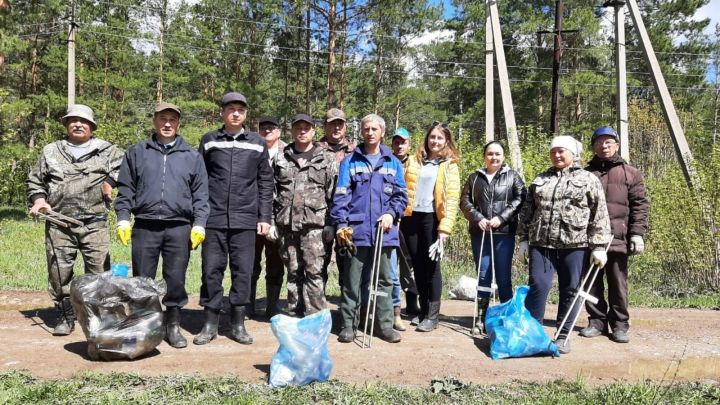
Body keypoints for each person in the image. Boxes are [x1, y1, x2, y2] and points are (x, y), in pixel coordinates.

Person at [115, 102, 209, 349]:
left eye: (172, 120)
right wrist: (123, 218)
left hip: (179, 228)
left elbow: (201, 194)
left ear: (178, 124)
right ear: (154, 121)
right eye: (163, 118)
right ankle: (144, 327)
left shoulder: (192, 156)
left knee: (175, 279)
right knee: (142, 280)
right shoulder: (137, 152)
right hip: (145, 226)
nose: (167, 123)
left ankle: (172, 325)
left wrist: (199, 224)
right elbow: (125, 189)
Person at [27, 104, 122, 336]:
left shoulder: (108, 150)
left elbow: (126, 169)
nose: (78, 124)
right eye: (73, 120)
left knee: (99, 272)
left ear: (92, 126)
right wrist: (39, 200)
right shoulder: (51, 151)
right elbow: (35, 181)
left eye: (84, 121)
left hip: (95, 223)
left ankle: (97, 316)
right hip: (59, 223)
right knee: (59, 273)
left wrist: (110, 181)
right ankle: (65, 313)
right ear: (66, 124)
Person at [517, 135, 612, 354]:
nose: (557, 155)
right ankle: (534, 333)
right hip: (541, 244)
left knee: (570, 290)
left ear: (573, 153)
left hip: (575, 245)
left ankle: (563, 335)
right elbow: (527, 211)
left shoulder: (588, 179)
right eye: (553, 152)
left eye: (562, 151)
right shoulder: (541, 179)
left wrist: (599, 246)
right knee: (538, 286)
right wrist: (522, 240)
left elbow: (600, 214)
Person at [193, 92, 274, 346]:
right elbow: (199, 180)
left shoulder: (257, 143)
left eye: (240, 109)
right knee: (211, 271)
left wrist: (264, 216)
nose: (235, 113)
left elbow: (265, 182)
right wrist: (199, 216)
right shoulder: (209, 141)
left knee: (243, 271)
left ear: (246, 114)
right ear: (222, 113)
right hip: (214, 219)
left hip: (245, 220)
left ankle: (238, 323)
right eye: (231, 109)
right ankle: (210, 323)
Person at [331, 113, 407, 343]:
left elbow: (401, 195)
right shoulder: (350, 161)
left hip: (384, 232)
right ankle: (348, 325)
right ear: (362, 132)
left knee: (383, 280)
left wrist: (391, 214)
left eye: (375, 129)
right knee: (352, 280)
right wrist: (341, 224)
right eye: (366, 129)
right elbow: (341, 195)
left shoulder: (392, 162)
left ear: (382, 132)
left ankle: (384, 325)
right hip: (356, 232)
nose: (370, 132)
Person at [580, 126, 649, 344]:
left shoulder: (630, 173)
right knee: (591, 283)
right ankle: (596, 321)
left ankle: (620, 325)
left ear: (617, 145)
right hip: (589, 240)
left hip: (617, 238)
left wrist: (637, 234)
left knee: (618, 284)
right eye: (599, 142)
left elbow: (640, 205)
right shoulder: (585, 174)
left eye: (609, 142)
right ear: (593, 147)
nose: (604, 145)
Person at [273, 113, 337, 317]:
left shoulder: (326, 158)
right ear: (292, 130)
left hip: (315, 227)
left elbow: (334, 194)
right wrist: (272, 222)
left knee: (314, 271)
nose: (302, 131)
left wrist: (331, 224)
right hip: (287, 225)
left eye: (306, 128)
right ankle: (295, 313)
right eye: (298, 127)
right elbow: (272, 192)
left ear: (313, 131)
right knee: (293, 272)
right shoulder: (281, 157)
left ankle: (316, 316)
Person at [459, 140, 525, 334]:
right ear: (484, 156)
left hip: (503, 234)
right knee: (483, 277)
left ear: (503, 156)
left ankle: (506, 319)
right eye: (490, 154)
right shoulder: (474, 178)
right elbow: (465, 201)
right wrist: (477, 217)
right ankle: (481, 318)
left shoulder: (512, 176)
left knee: (504, 277)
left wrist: (501, 218)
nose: (494, 157)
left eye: (497, 154)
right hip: (480, 234)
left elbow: (521, 197)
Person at [401, 122, 461, 332]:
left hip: (432, 220)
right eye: (432, 137)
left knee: (432, 267)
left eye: (439, 138)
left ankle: (433, 316)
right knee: (418, 265)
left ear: (446, 141)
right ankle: (423, 310)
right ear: (427, 139)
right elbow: (403, 188)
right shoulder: (415, 161)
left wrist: (444, 229)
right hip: (411, 218)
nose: (434, 141)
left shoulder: (450, 165)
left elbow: (452, 198)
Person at [250, 116, 287, 318]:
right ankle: (248, 305)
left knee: (275, 262)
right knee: (249, 263)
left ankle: (272, 306)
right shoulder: (251, 150)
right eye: (263, 128)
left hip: (279, 217)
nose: (267, 131)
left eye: (271, 128)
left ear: (279, 132)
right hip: (253, 215)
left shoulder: (288, 153)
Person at [317, 108, 356, 289]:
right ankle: (316, 308)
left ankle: (345, 310)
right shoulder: (315, 150)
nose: (336, 127)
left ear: (345, 126)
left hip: (346, 217)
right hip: (319, 216)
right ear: (325, 126)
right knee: (317, 264)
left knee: (347, 262)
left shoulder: (356, 152)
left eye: (340, 124)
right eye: (332, 124)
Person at [390, 127, 415, 331]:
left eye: (403, 142)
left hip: (409, 217)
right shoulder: (387, 161)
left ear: (409, 144)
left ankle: (412, 302)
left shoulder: (416, 163)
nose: (400, 145)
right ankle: (390, 305)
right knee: (390, 263)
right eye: (396, 142)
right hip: (390, 218)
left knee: (409, 262)